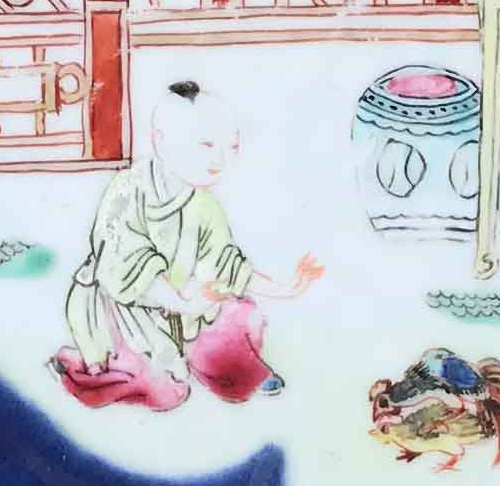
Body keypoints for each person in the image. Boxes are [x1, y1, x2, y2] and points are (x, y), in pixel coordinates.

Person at [51, 80, 322, 411]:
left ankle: (231, 368)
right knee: (165, 389)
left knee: (242, 315)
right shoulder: (128, 191)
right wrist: (184, 302)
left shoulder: (203, 204)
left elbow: (227, 265)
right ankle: (80, 368)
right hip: (125, 308)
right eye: (206, 144)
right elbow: (123, 270)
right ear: (161, 141)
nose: (220, 159)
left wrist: (287, 288)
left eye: (231, 146)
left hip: (187, 306)